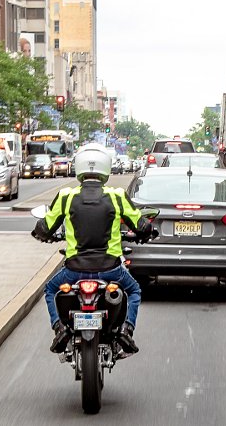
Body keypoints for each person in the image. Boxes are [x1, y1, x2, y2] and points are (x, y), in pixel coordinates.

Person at [32, 143, 155, 356]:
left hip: (74, 269)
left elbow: (45, 227)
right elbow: (140, 224)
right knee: (134, 290)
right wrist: (147, 233)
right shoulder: (116, 196)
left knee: (51, 290)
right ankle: (126, 330)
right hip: (111, 269)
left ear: (78, 167)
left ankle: (59, 329)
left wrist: (42, 235)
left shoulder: (66, 196)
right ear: (106, 168)